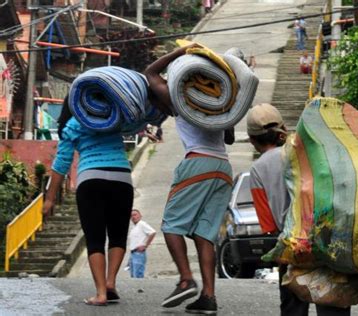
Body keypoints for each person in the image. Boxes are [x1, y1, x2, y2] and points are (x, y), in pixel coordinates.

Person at [145, 45, 234, 314]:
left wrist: (181, 52)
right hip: (223, 167)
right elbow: (228, 137)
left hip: (197, 162)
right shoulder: (222, 103)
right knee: (203, 234)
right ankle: (208, 297)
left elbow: (150, 74)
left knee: (172, 226)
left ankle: (186, 279)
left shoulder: (181, 99)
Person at [246, 103, 351, 316]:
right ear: (282, 129)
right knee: (332, 305)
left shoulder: (257, 169)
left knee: (293, 308)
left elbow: (268, 224)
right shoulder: (306, 150)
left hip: (292, 244)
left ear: (252, 140)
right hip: (326, 236)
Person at [43, 96, 134, 306]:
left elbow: (61, 164)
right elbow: (135, 120)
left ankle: (101, 293)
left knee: (95, 239)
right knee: (118, 235)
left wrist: (49, 199)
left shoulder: (72, 125)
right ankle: (111, 282)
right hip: (121, 176)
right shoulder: (112, 116)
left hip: (90, 179)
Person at [128, 209, 156, 278]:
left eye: (135, 215)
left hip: (138, 253)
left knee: (137, 276)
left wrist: (145, 245)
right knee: (133, 275)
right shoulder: (134, 227)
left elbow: (152, 232)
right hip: (133, 254)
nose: (133, 217)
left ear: (140, 216)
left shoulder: (142, 224)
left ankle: (139, 288)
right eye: (131, 216)